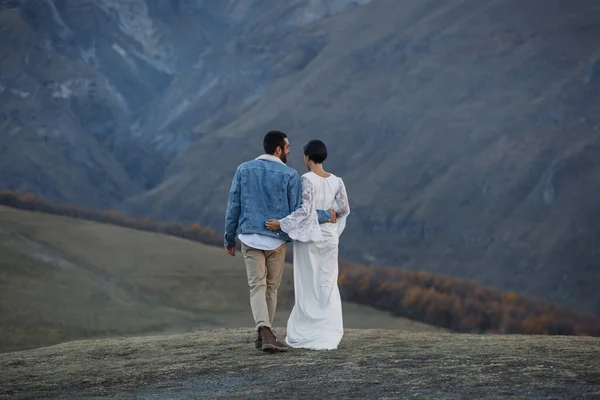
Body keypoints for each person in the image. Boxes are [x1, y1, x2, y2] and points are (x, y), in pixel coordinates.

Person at [224, 131, 336, 353]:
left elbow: (233, 205)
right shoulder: (291, 175)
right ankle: (266, 332)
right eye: (287, 147)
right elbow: (299, 212)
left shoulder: (244, 169)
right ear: (278, 150)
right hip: (276, 240)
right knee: (271, 289)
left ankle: (264, 332)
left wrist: (229, 237)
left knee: (257, 285)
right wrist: (327, 215)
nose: (290, 150)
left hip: (249, 237)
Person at [265, 139, 350, 350]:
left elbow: (305, 211)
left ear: (306, 157)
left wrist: (281, 223)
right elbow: (344, 209)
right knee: (327, 285)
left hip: (310, 238)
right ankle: (328, 332)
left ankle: (308, 332)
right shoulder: (337, 180)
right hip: (330, 239)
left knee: (307, 284)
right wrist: (332, 222)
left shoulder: (307, 179)